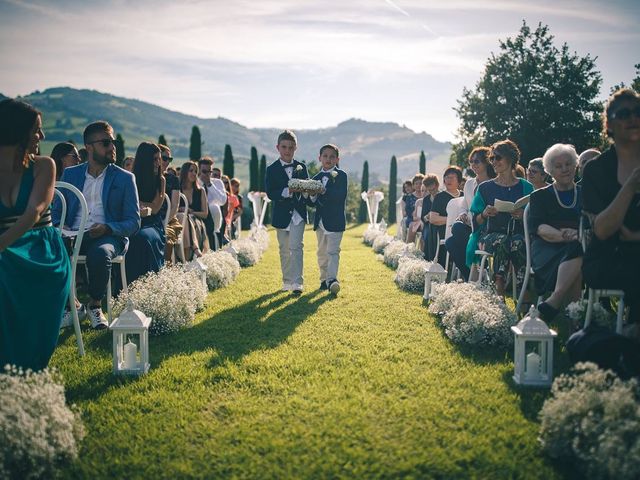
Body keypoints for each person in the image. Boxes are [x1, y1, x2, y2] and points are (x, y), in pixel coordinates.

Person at [0, 99, 71, 370]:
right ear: (16, 132)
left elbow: (35, 212)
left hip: (41, 250)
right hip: (6, 247)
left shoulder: (44, 166)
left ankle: (25, 364)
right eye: (36, 131)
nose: (41, 137)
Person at [53, 121, 140, 329]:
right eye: (106, 143)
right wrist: (60, 229)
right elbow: (56, 212)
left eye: (113, 142)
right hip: (72, 234)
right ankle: (70, 305)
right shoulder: (71, 174)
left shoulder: (126, 178)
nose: (112, 147)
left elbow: (134, 221)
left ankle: (94, 305)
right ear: (89, 147)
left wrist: (108, 228)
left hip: (107, 235)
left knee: (100, 254)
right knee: (51, 247)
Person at [582, 88, 640, 329]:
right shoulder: (597, 170)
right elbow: (604, 230)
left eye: (638, 112)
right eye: (624, 113)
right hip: (608, 257)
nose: (633, 118)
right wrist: (630, 186)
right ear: (610, 124)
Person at [470, 140, 534, 296]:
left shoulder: (526, 187)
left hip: (518, 234)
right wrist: (484, 214)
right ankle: (499, 288)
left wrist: (523, 215)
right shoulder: (485, 188)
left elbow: (535, 218)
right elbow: (475, 222)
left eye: (498, 157)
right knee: (502, 241)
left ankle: (522, 290)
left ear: (510, 159)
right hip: (489, 236)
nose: (494, 162)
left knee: (518, 243)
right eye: (492, 158)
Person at [529, 144, 583, 322]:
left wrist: (577, 237)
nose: (565, 169)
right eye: (558, 166)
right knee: (578, 253)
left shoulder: (586, 194)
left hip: (580, 247)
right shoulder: (540, 196)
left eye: (568, 164)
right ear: (550, 170)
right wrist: (566, 236)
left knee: (578, 250)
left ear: (575, 165)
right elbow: (539, 228)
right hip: (547, 249)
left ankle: (555, 300)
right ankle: (574, 324)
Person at [265, 130, 309, 295]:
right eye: (284, 147)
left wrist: (305, 191)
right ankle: (287, 281)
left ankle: (298, 282)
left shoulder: (301, 167)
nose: (287, 150)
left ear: (295, 148)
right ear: (278, 147)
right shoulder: (272, 169)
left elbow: (306, 188)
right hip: (281, 215)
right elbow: (271, 192)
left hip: (298, 214)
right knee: (284, 249)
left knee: (296, 247)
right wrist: (287, 191)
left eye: (291, 147)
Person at [446, 147, 495, 281]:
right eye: (471, 162)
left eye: (477, 161)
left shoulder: (493, 183)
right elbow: (464, 204)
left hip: (486, 226)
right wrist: (462, 214)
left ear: (486, 162)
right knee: (450, 242)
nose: (473, 164)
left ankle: (477, 275)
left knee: (456, 229)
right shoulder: (469, 183)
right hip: (470, 225)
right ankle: (473, 277)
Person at [309, 144, 347, 294]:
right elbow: (311, 202)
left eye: (332, 157)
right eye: (325, 156)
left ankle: (332, 280)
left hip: (335, 221)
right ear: (320, 158)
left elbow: (340, 196)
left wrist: (324, 190)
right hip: (320, 222)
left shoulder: (341, 175)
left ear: (337, 159)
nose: (328, 159)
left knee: (333, 252)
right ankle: (323, 280)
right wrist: (312, 194)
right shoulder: (316, 178)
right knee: (321, 252)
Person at [126, 142, 166, 284]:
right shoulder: (131, 178)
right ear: (145, 160)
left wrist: (138, 203)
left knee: (142, 238)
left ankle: (146, 284)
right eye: (154, 159)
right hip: (134, 220)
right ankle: (126, 284)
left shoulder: (160, 180)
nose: (158, 163)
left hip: (152, 224)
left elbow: (155, 208)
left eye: (159, 159)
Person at [427, 166, 463, 265]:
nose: (448, 180)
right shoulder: (440, 197)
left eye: (452, 177)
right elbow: (433, 218)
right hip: (444, 232)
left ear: (459, 181)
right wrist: (452, 220)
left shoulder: (464, 196)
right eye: (447, 177)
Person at [178, 160, 209, 259]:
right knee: (184, 219)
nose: (194, 173)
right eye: (191, 170)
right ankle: (194, 250)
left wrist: (192, 212)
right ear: (184, 172)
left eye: (196, 171)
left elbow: (205, 214)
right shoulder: (177, 190)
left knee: (189, 220)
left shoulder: (201, 191)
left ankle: (187, 256)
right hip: (181, 221)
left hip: (197, 221)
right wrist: (180, 209)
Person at [159, 144, 182, 262]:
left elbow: (175, 206)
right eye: (164, 158)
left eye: (170, 159)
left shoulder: (173, 179)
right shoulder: (149, 176)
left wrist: (164, 221)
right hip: (152, 218)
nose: (167, 162)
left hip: (169, 219)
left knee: (166, 237)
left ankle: (166, 270)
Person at [198, 157, 226, 249]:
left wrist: (210, 185)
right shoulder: (195, 183)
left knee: (214, 207)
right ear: (199, 171)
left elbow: (222, 201)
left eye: (209, 172)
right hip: (199, 214)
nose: (207, 174)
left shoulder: (217, 183)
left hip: (214, 218)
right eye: (204, 172)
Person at [419, 174, 440, 257]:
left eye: (433, 189)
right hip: (428, 225)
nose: (432, 192)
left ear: (437, 185)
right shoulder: (426, 200)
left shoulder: (443, 197)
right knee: (428, 233)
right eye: (430, 190)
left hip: (441, 224)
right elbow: (422, 217)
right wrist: (427, 217)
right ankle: (428, 257)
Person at [405, 174, 424, 243]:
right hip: (412, 219)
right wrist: (415, 217)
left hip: (424, 219)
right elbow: (408, 211)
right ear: (413, 186)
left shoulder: (426, 196)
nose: (418, 185)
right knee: (413, 226)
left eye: (420, 183)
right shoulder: (409, 197)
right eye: (416, 184)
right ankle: (410, 247)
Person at [221, 175, 239, 241]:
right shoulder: (217, 196)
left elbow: (239, 210)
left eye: (226, 182)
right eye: (222, 182)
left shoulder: (233, 197)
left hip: (228, 221)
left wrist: (234, 217)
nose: (224, 184)